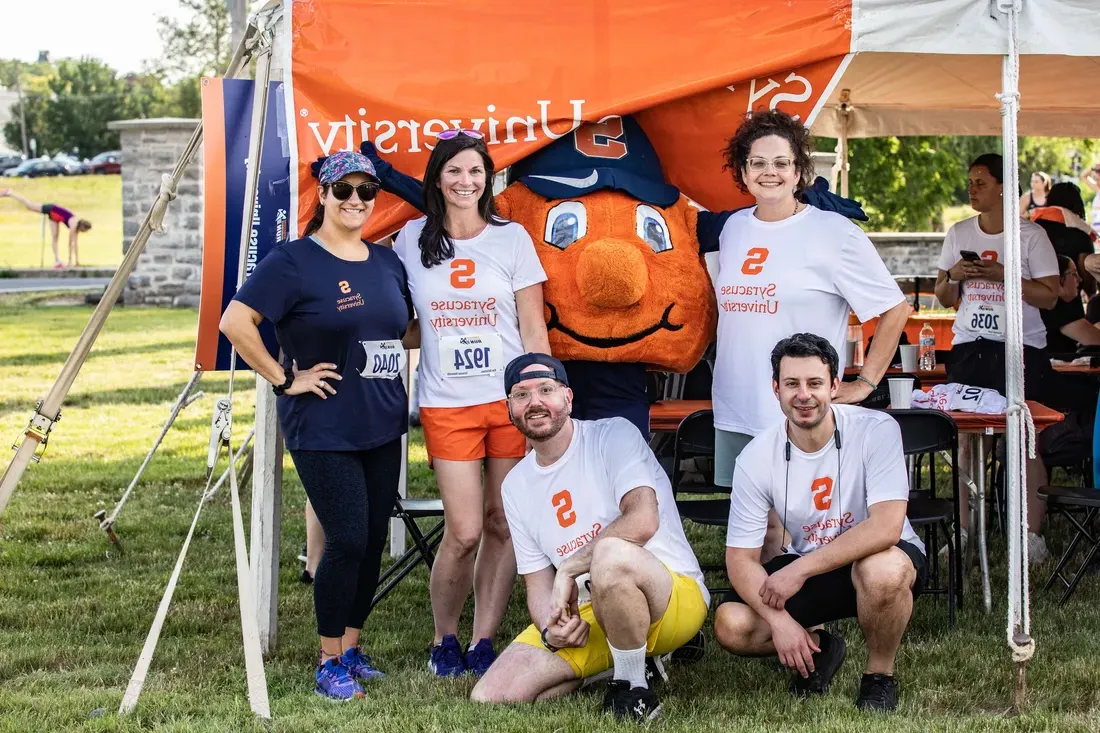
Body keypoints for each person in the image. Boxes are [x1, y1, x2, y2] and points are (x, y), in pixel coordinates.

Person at [220, 151, 417, 700]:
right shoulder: (293, 261)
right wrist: (284, 379)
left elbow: (400, 333)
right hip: (324, 422)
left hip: (381, 419)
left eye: (366, 192)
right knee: (348, 537)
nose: (356, 201)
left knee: (374, 538)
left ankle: (352, 647)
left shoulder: (385, 261)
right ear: (324, 196)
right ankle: (328, 658)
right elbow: (235, 322)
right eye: (344, 191)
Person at [470, 353, 708, 721]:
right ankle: (625, 661)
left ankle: (632, 688)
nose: (535, 403)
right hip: (592, 610)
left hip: (670, 595)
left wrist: (568, 568)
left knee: (610, 555)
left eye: (546, 390)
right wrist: (551, 630)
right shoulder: (515, 485)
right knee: (491, 695)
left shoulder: (613, 434)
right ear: (509, 408)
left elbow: (643, 521)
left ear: (567, 397)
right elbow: (536, 584)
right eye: (521, 395)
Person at [392, 129, 551, 677]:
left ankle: (484, 640)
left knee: (503, 521)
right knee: (463, 531)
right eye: (455, 170)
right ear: (438, 177)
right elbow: (403, 323)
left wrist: (543, 397)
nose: (467, 181)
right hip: (448, 404)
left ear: (489, 179)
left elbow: (532, 325)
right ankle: (445, 639)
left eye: (477, 171)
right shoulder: (410, 239)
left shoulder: (512, 240)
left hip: (508, 401)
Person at [709, 110, 910, 533]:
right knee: (754, 531)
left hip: (801, 409)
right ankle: (756, 599)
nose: (770, 172)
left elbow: (895, 307)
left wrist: (867, 383)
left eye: (781, 163)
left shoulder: (834, 233)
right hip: (736, 407)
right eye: (758, 162)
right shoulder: (731, 231)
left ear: (799, 170)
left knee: (803, 531)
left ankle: (803, 598)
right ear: (742, 171)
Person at [713, 333, 926, 713]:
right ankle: (822, 648)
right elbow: (740, 559)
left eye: (814, 383)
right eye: (792, 384)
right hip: (812, 565)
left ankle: (879, 678)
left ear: (834, 385)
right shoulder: (755, 457)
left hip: (878, 555)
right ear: (776, 389)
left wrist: (799, 571)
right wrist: (780, 623)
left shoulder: (876, 429)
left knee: (883, 570)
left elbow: (886, 527)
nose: (803, 395)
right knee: (731, 624)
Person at [934, 153, 1059, 563]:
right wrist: (954, 276)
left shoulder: (1031, 236)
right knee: (969, 443)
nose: (972, 189)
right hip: (971, 345)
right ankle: (968, 532)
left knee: (1025, 440)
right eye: (969, 181)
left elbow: (1051, 295)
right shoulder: (958, 233)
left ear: (1004, 186)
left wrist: (1006, 276)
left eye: (980, 182)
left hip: (1021, 347)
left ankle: (1032, 535)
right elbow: (944, 296)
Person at [0, 188, 91, 268]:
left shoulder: (76, 227)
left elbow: (75, 244)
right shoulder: (73, 224)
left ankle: (57, 260)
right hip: (52, 209)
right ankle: (10, 193)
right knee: (29, 205)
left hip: (55, 218)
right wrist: (70, 261)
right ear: (83, 227)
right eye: (84, 231)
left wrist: (77, 261)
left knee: (55, 237)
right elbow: (70, 243)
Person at [1042, 256, 1100, 354]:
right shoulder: (1057, 308)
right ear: (1058, 278)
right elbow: (1096, 339)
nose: (1080, 279)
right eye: (1074, 274)